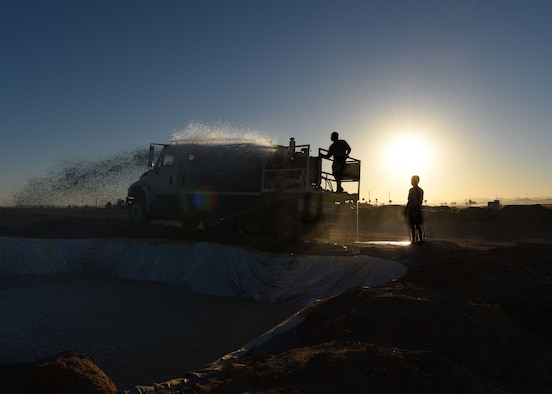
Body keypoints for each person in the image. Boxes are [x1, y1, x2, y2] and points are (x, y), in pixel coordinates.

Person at [405, 175, 424, 243]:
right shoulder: (414, 190)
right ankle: (415, 240)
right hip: (414, 210)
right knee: (413, 226)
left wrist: (407, 209)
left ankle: (418, 240)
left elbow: (417, 201)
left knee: (416, 226)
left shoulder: (418, 191)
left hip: (415, 210)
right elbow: (409, 201)